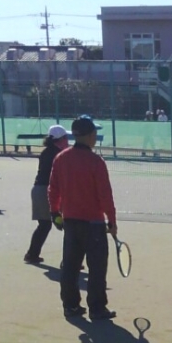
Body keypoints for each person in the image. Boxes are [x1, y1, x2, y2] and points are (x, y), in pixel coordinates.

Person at [48, 115, 118, 320]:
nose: (96, 136)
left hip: (70, 222)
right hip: (94, 225)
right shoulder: (96, 162)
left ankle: (70, 306)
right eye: (94, 133)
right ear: (89, 136)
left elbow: (53, 189)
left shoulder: (61, 158)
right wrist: (112, 221)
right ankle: (97, 308)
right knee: (97, 268)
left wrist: (55, 213)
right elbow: (105, 195)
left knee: (70, 266)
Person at [24, 124, 71, 263]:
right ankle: (69, 261)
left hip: (38, 190)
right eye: (66, 138)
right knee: (69, 226)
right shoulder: (59, 155)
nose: (68, 140)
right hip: (48, 191)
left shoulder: (47, 152)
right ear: (59, 140)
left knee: (44, 225)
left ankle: (31, 255)